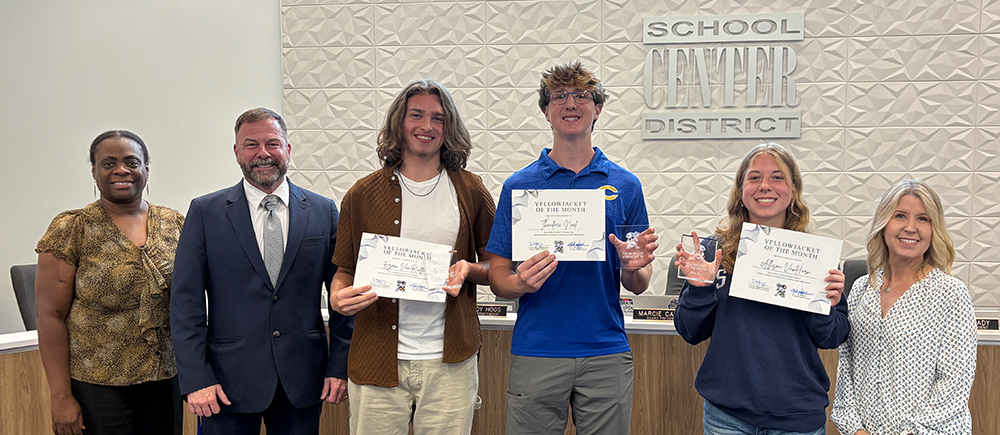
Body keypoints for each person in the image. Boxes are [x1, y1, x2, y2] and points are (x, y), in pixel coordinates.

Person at [486, 61, 658, 435]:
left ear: (597, 109)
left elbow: (639, 282)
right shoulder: (518, 186)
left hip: (606, 350)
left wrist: (633, 266)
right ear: (545, 110)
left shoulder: (625, 185)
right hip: (537, 348)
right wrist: (519, 284)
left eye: (582, 95)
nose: (571, 103)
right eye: (559, 96)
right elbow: (497, 274)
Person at [170, 108, 351, 435]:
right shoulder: (204, 213)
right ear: (237, 152)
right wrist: (196, 378)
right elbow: (186, 304)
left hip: (303, 380)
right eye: (251, 144)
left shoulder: (324, 211)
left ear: (288, 150)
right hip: (224, 386)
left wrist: (339, 367)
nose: (263, 153)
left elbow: (343, 296)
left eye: (273, 143)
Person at [329, 79, 495, 435]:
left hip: (450, 363)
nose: (427, 126)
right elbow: (344, 270)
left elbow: (497, 266)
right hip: (377, 360)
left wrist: (469, 269)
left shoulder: (470, 190)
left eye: (438, 118)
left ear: (448, 127)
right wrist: (337, 297)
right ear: (398, 123)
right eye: (416, 115)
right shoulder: (361, 194)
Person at [673, 142, 848, 434]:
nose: (765, 186)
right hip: (726, 417)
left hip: (797, 417)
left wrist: (825, 303)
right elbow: (690, 332)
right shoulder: (713, 252)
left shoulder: (817, 257)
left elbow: (832, 337)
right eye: (754, 177)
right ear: (741, 191)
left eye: (777, 177)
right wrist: (700, 289)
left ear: (793, 191)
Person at [35, 130, 184, 435]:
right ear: (94, 171)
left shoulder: (176, 223)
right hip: (98, 386)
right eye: (109, 163)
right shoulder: (72, 228)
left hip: (164, 378)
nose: (121, 170)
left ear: (146, 169)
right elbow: (50, 317)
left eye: (132, 162)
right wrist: (61, 398)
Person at [831, 179, 976, 435]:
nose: (910, 228)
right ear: (883, 224)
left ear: (934, 230)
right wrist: (854, 429)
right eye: (900, 216)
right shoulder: (862, 289)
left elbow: (955, 382)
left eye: (923, 219)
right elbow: (847, 365)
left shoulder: (950, 293)